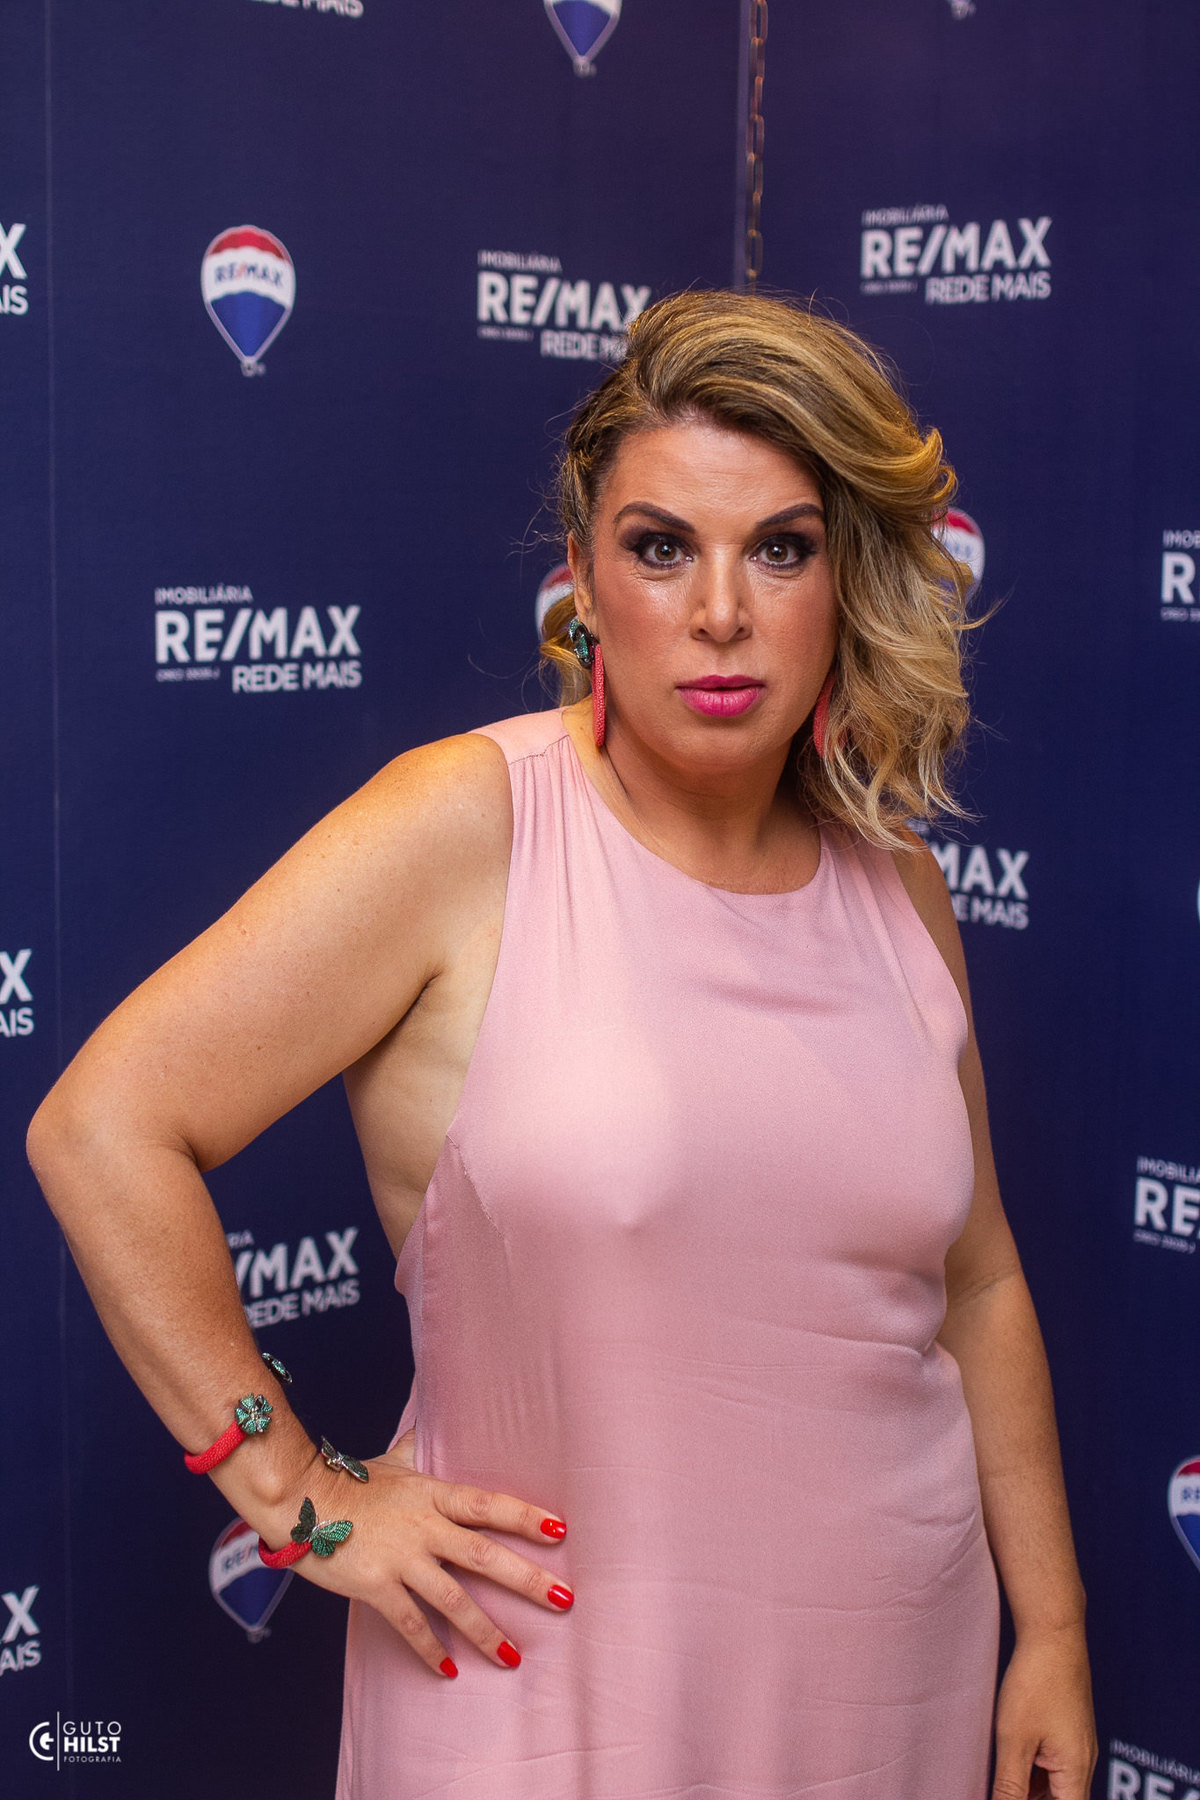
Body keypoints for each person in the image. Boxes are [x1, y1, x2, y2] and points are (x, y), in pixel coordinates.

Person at [28, 289, 1097, 1800]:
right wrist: (298, 1496)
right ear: (585, 581)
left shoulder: (901, 882)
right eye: (660, 547)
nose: (719, 611)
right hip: (549, 1703)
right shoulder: (470, 826)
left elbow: (977, 1279)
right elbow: (101, 1127)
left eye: (779, 549)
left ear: (844, 579)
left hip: (892, 1687)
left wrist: (1051, 1630)